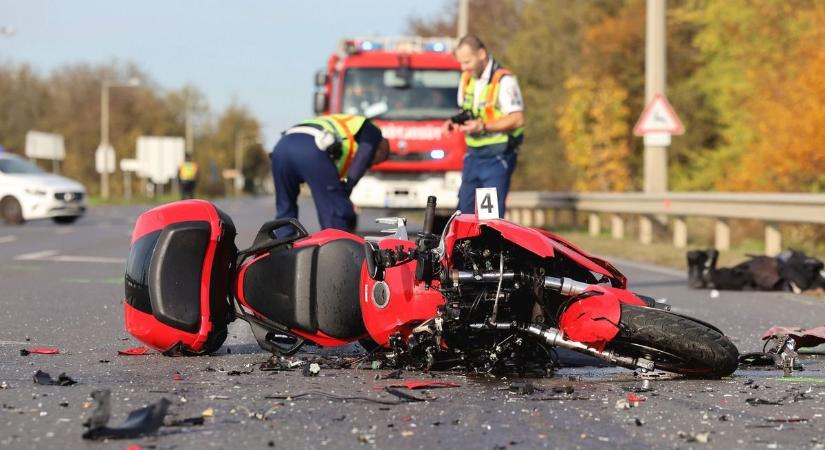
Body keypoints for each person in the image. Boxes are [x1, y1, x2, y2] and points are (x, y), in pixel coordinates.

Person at [444, 34, 525, 217]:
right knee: (463, 215)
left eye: (467, 62)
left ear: (481, 54)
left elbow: (517, 119)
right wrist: (453, 121)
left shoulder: (504, 81)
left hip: (497, 158)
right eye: (461, 63)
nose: (463, 68)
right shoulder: (466, 79)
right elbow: (466, 110)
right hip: (473, 157)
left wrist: (483, 127)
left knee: (489, 218)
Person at [270, 114, 389, 236]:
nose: (370, 164)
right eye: (375, 161)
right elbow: (365, 152)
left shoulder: (339, 126)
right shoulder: (373, 131)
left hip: (281, 148)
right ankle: (338, 251)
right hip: (311, 146)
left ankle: (282, 248)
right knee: (335, 213)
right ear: (381, 147)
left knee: (285, 210)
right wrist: (348, 186)